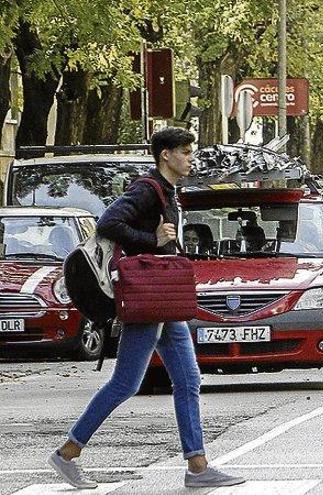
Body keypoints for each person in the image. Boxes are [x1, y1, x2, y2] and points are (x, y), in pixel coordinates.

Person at [49, 127, 245, 489]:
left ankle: (198, 467)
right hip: (147, 299)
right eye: (185, 152)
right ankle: (67, 453)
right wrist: (151, 240)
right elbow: (109, 223)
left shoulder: (168, 190)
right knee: (126, 383)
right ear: (165, 155)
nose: (190, 158)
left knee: (188, 380)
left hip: (163, 301)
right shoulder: (147, 189)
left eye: (191, 151)